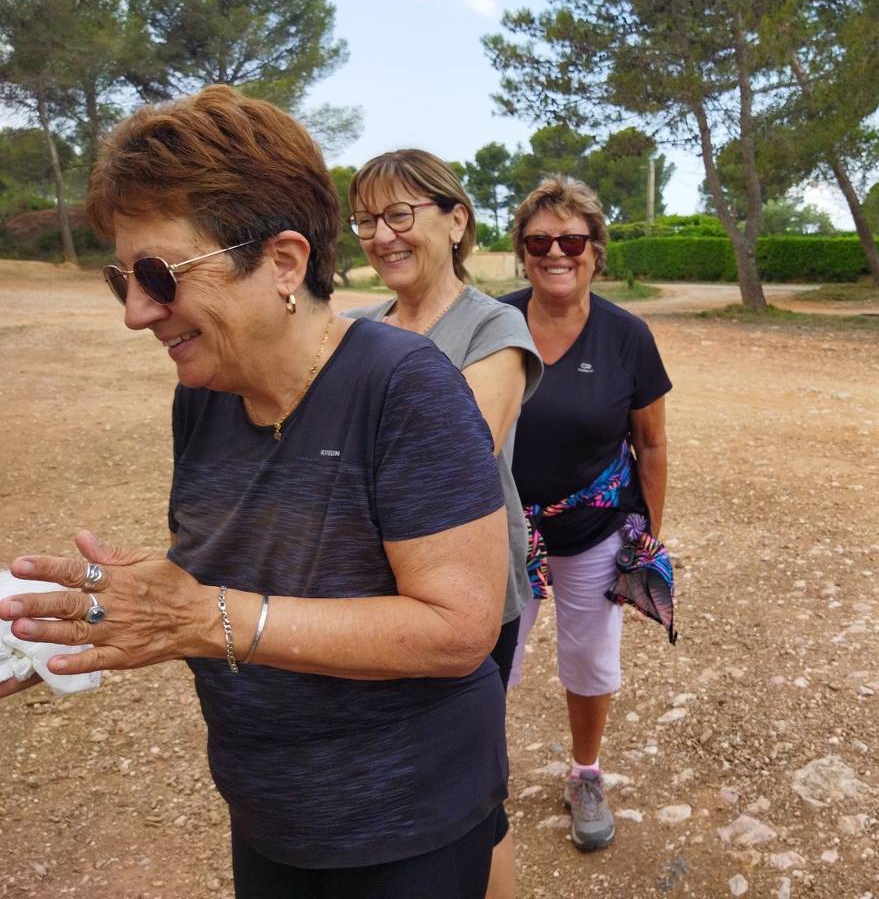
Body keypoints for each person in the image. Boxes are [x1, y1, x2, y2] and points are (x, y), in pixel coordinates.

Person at [0, 86, 510, 899]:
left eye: (160, 275)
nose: (137, 312)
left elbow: (459, 628)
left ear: (283, 262)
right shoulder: (204, 390)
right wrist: (80, 619)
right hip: (270, 810)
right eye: (121, 279)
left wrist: (201, 619)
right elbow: (227, 571)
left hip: (403, 820)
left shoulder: (406, 387)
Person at [343, 149, 542, 899]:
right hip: (369, 598)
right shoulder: (358, 332)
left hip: (469, 602)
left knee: (472, 802)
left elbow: (451, 457)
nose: (381, 235)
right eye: (366, 219)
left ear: (456, 220)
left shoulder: (496, 328)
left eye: (401, 215)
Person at [501, 176, 672, 853]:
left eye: (572, 239)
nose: (556, 252)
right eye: (539, 240)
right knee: (486, 658)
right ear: (522, 251)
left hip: (597, 528)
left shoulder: (628, 337)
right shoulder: (494, 325)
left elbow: (651, 443)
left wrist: (646, 535)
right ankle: (472, 780)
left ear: (595, 250)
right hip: (503, 530)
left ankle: (585, 773)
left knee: (590, 659)